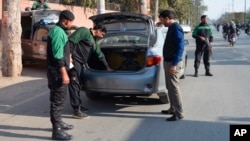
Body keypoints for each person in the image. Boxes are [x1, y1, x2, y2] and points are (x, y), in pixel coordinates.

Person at [67, 25, 112, 119]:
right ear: (98, 30)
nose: (102, 37)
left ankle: (78, 106)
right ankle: (76, 110)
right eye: (102, 34)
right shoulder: (84, 31)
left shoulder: (93, 41)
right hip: (75, 62)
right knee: (74, 84)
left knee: (78, 84)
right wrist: (69, 56)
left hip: (81, 64)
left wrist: (107, 67)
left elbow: (100, 54)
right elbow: (71, 41)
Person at [47, 10, 75, 140]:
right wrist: (64, 74)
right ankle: (56, 131)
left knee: (60, 99)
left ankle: (59, 122)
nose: (71, 25)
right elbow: (58, 56)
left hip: (55, 71)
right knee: (57, 101)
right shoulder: (58, 32)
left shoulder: (58, 30)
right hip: (57, 73)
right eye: (71, 22)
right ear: (67, 21)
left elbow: (62, 52)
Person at [158, 10, 184, 121]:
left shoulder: (176, 28)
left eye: (162, 19)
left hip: (173, 62)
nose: (161, 21)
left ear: (167, 18)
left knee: (174, 88)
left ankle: (179, 113)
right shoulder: (171, 28)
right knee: (169, 87)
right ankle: (172, 109)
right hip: (168, 61)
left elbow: (180, 48)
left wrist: (174, 64)